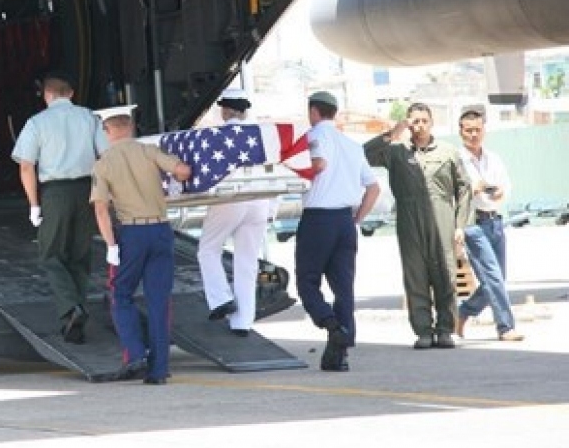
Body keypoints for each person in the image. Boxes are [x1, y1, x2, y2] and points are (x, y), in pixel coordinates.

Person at [90, 106, 191, 384]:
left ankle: (135, 353)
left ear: (107, 131)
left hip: (132, 235)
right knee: (159, 301)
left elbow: (100, 209)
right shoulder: (149, 151)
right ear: (132, 127)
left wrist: (111, 245)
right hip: (160, 230)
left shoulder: (104, 163)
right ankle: (159, 371)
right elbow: (183, 170)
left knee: (121, 295)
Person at [365, 103, 471, 350]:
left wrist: (460, 225)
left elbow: (464, 188)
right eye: (415, 121)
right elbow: (365, 155)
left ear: (431, 123)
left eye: (424, 120)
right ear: (408, 123)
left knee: (446, 274)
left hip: (442, 216)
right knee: (415, 276)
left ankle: (445, 330)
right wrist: (391, 133)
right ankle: (423, 330)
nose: (419, 125)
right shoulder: (396, 152)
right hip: (409, 219)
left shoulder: (448, 152)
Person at [12, 72, 107, 343]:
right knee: (80, 256)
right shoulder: (90, 117)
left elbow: (26, 165)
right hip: (88, 189)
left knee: (51, 254)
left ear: (47, 96)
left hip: (56, 193)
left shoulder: (37, 122)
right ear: (72, 94)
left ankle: (71, 308)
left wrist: (33, 204)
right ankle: (73, 322)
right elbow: (106, 155)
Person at [297, 92, 380, 372]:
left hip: (318, 218)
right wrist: (357, 217)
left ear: (314, 111)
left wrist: (296, 171)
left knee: (307, 281)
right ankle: (340, 353)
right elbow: (374, 187)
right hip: (345, 221)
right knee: (343, 287)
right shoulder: (352, 145)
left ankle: (330, 323)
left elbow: (318, 163)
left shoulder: (313, 136)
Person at [197, 88, 278, 337]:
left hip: (230, 198)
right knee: (247, 262)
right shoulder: (262, 135)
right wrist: (272, 208)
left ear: (226, 110)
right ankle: (243, 322)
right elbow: (273, 170)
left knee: (208, 249)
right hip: (260, 200)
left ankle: (221, 299)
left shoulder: (215, 136)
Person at [455, 107, 524, 342]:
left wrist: (499, 193)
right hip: (473, 223)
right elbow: (454, 194)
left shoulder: (493, 157)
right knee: (493, 277)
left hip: (494, 221)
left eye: (477, 129)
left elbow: (506, 185)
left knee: (496, 279)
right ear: (460, 131)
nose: (473, 135)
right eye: (468, 130)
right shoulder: (456, 160)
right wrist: (474, 189)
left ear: (484, 130)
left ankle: (463, 312)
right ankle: (505, 327)